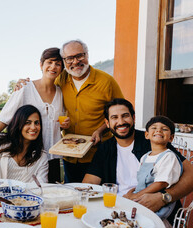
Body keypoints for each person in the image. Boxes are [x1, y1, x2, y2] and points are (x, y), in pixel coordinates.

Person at [16, 39, 124, 183]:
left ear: (87, 55)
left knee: (96, 197)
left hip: (98, 152)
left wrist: (100, 130)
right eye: (69, 58)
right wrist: (22, 83)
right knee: (71, 195)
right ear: (64, 61)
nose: (75, 62)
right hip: (69, 153)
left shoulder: (106, 81)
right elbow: (42, 86)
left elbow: (121, 113)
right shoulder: (60, 80)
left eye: (79, 56)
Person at [83, 98, 193, 225]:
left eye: (125, 116)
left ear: (133, 118)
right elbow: (89, 183)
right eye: (114, 118)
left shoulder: (153, 141)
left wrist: (164, 198)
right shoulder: (106, 148)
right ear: (107, 123)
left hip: (155, 213)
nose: (121, 122)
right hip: (117, 210)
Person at [0, 47, 70, 183]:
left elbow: (55, 124)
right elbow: (6, 115)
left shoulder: (60, 93)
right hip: (31, 156)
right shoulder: (25, 88)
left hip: (53, 156)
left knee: (51, 197)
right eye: (49, 62)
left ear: (62, 68)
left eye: (58, 64)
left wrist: (64, 125)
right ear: (41, 64)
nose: (53, 67)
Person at [124, 116, 183, 220]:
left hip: (155, 205)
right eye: (154, 128)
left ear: (171, 138)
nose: (159, 130)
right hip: (140, 198)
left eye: (164, 129)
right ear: (147, 135)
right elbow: (140, 181)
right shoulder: (145, 157)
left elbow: (161, 183)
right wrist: (132, 194)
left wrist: (136, 195)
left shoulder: (169, 156)